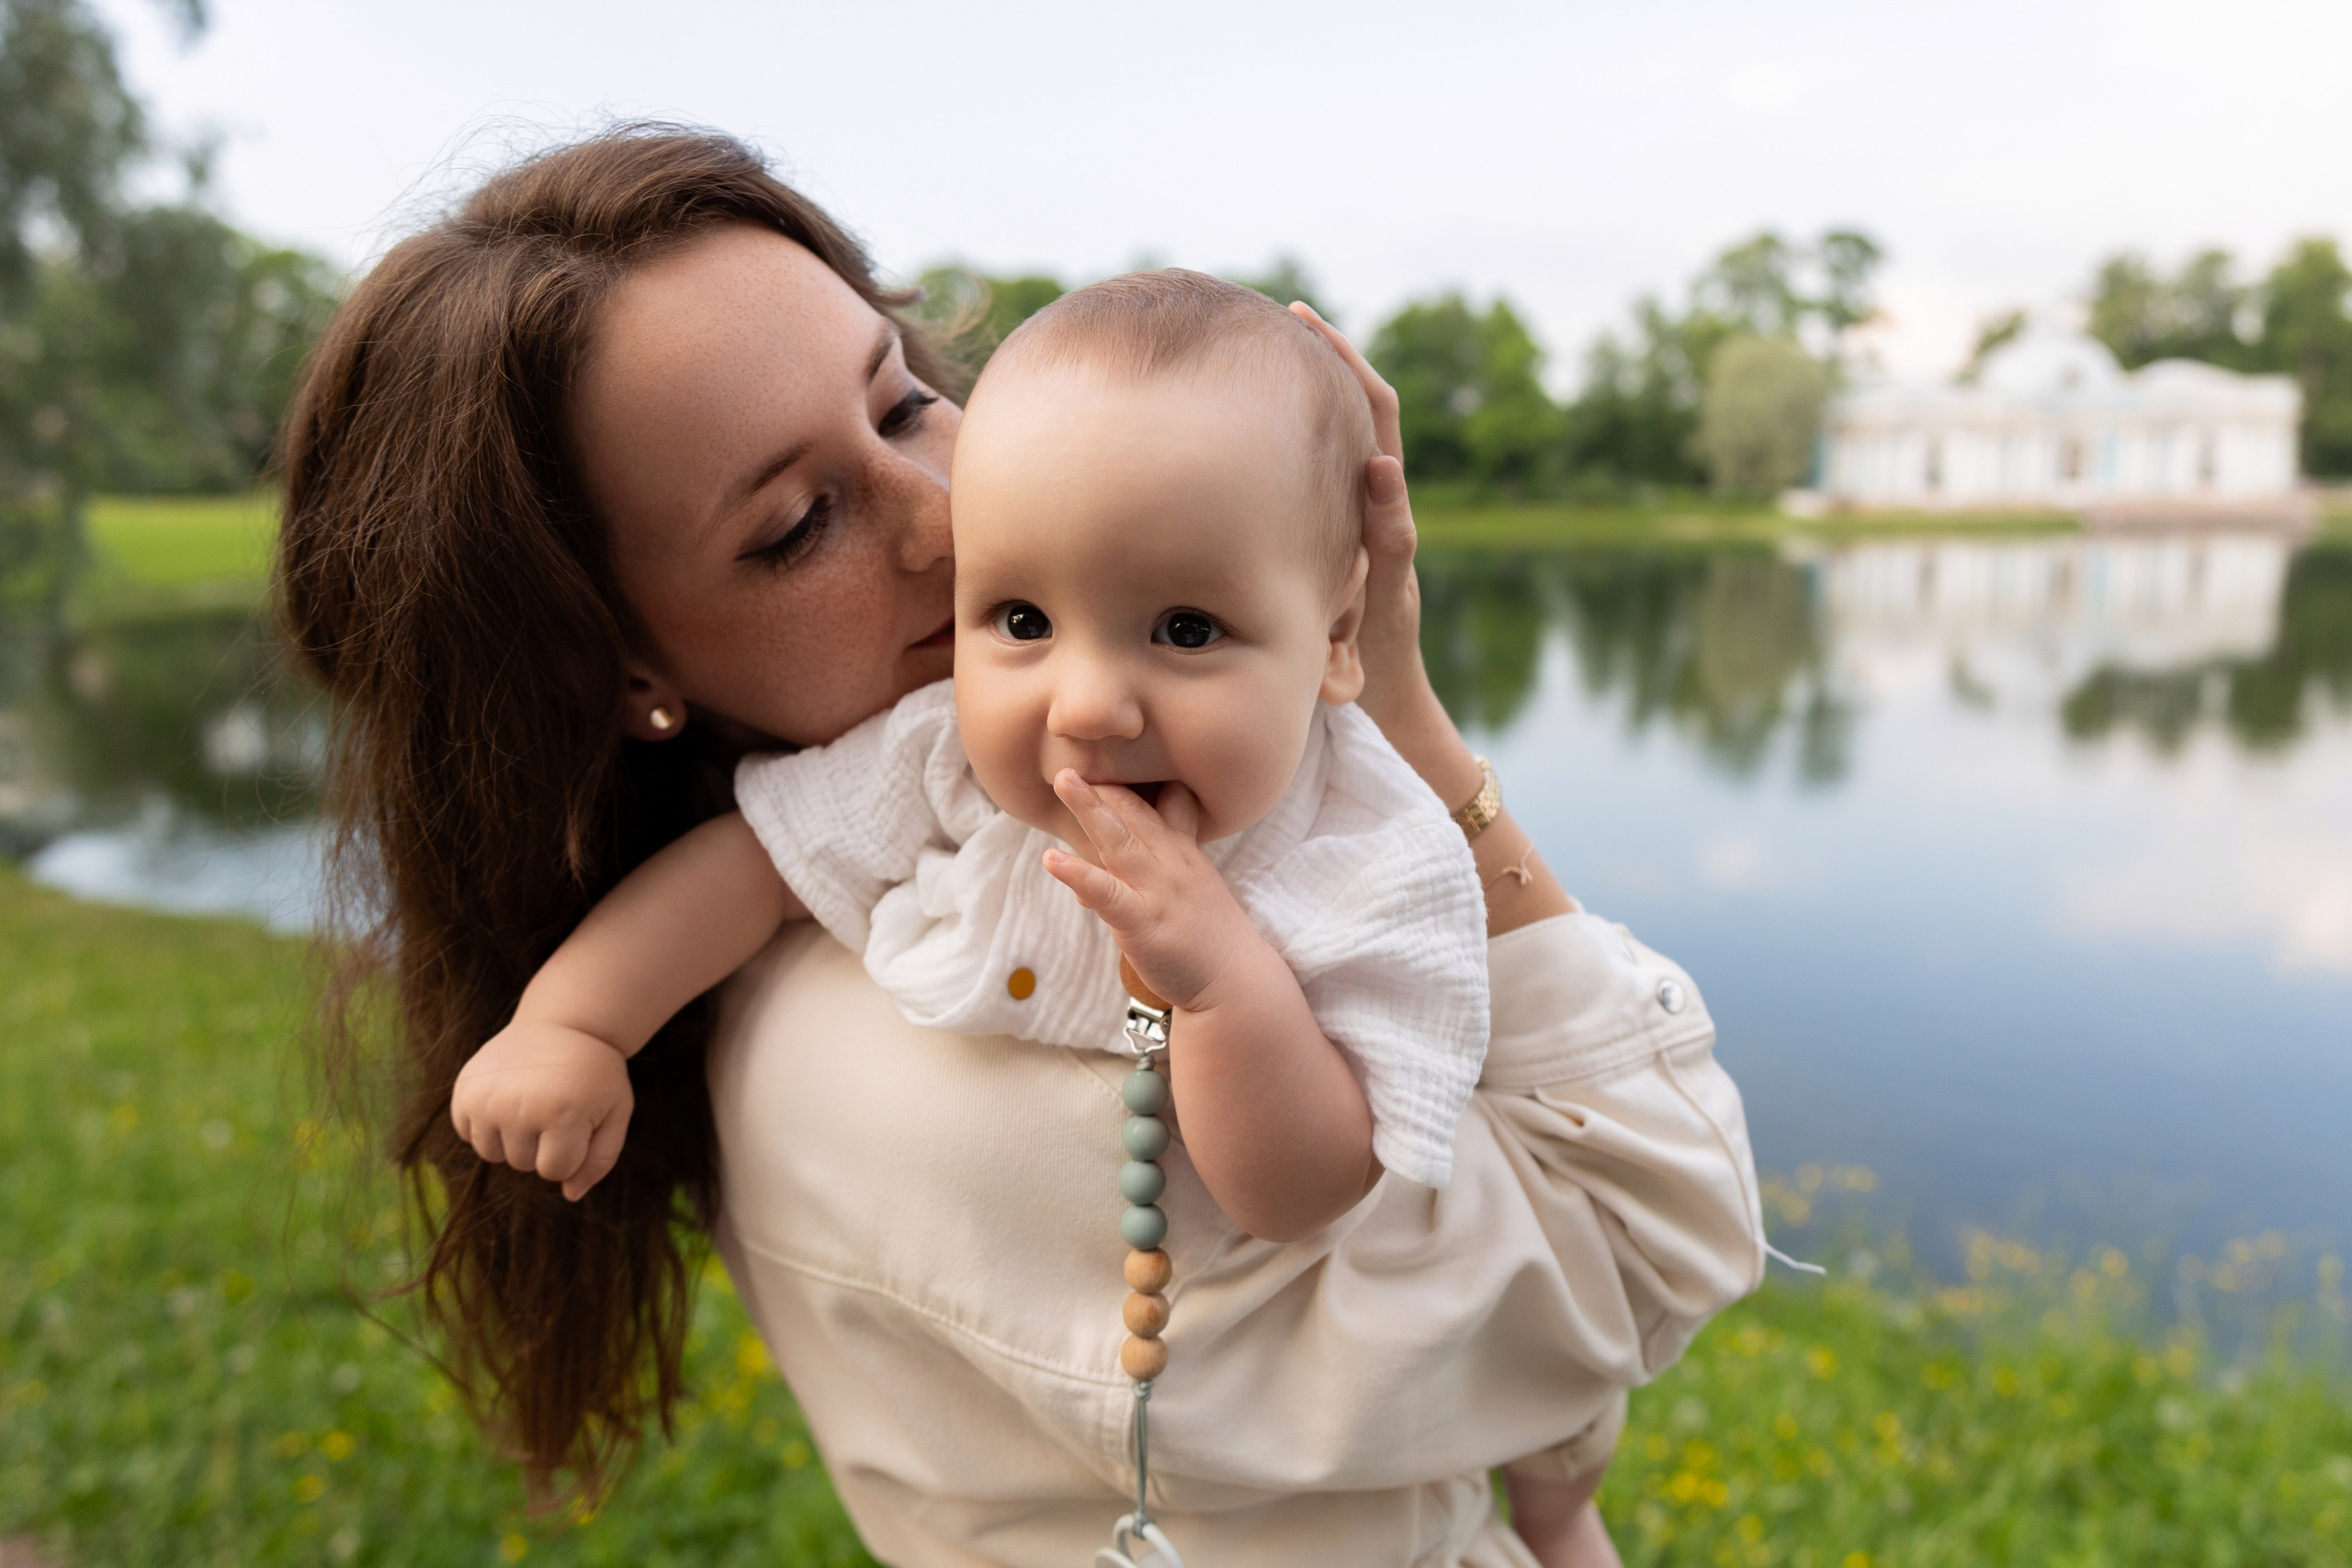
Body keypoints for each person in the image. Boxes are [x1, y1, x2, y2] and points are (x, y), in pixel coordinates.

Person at [277, 125, 1764, 1568]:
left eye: (906, 398)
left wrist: (1364, 671)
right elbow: (1655, 1234)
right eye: (799, 524)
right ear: (619, 673)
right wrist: (570, 1025)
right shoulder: (941, 1048)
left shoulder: (1005, 806)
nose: (948, 518)